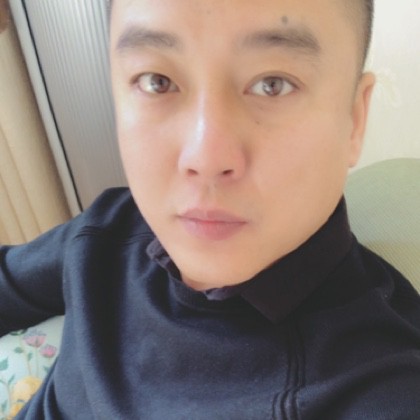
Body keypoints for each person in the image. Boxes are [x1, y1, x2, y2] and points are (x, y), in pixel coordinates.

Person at [1, 0, 420, 418]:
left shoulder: (381, 387)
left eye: (273, 84)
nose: (205, 157)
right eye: (158, 81)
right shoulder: (111, 228)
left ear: (354, 119)